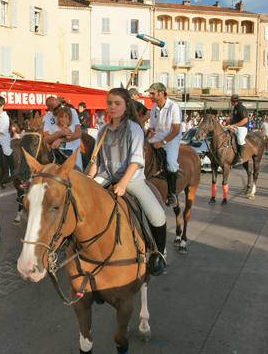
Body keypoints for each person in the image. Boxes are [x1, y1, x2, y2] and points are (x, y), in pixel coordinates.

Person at [87, 88, 168, 276]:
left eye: (117, 103)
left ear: (126, 106)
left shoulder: (134, 129)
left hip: (131, 179)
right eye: (109, 103)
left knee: (157, 215)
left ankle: (160, 254)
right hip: (106, 175)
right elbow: (96, 161)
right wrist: (88, 180)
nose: (112, 107)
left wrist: (123, 183)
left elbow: (136, 161)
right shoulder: (102, 129)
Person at [145, 83, 182, 208]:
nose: (150, 95)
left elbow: (176, 130)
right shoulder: (154, 109)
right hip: (157, 138)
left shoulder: (174, 106)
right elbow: (152, 128)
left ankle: (172, 194)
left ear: (161, 93)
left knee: (171, 163)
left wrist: (163, 142)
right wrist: (145, 138)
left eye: (152, 93)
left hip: (171, 140)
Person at [43, 96, 82, 171]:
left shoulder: (70, 112)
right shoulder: (47, 117)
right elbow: (47, 139)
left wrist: (60, 140)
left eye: (59, 105)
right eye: (55, 108)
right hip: (56, 153)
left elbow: (78, 134)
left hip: (72, 150)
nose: (59, 109)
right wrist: (60, 134)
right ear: (50, 109)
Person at [227, 94, 249, 166]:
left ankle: (240, 157)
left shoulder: (241, 108)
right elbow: (235, 119)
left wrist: (233, 125)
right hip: (235, 127)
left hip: (242, 127)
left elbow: (245, 120)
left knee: (240, 140)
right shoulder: (235, 108)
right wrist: (228, 123)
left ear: (232, 101)